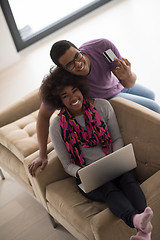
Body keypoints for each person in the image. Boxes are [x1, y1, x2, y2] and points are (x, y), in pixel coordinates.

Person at [29, 67, 153, 240]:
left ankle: (142, 229)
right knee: (109, 189)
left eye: (74, 90)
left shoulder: (103, 106)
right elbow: (67, 165)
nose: (73, 98)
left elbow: (116, 139)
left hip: (115, 163)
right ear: (58, 100)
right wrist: (81, 172)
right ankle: (138, 222)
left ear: (81, 88)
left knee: (128, 179)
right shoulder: (56, 127)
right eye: (65, 96)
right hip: (89, 175)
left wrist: (115, 159)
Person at [29, 38, 160, 176]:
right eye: (71, 64)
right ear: (64, 69)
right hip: (110, 98)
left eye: (77, 56)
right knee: (153, 107)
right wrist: (42, 154)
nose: (78, 64)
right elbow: (43, 116)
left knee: (150, 94)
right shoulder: (64, 79)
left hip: (118, 84)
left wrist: (127, 75)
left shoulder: (103, 47)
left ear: (79, 50)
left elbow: (129, 83)